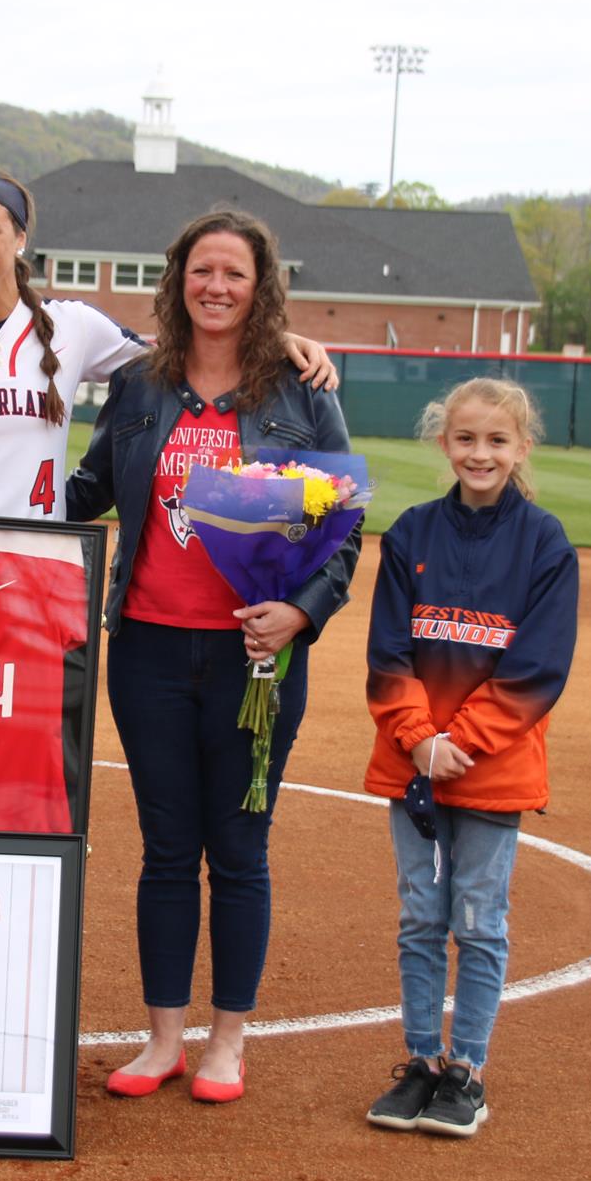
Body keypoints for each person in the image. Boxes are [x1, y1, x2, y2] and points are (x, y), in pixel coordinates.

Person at [66, 210, 359, 1104]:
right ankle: (163, 1041)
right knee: (164, 849)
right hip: (149, 648)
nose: (217, 287)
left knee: (237, 847)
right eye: (202, 271)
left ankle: (228, 1040)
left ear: (260, 283)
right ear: (179, 279)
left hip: (256, 659)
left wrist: (300, 614)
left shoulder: (302, 388)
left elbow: (344, 529)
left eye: (234, 272)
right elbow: (82, 491)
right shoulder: (143, 385)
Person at [360, 377, 579, 1138]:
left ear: (520, 447)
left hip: (491, 769)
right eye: (464, 438)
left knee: (479, 920)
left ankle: (467, 1072)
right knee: (421, 915)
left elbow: (538, 668)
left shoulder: (545, 542)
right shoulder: (413, 533)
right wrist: (420, 737)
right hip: (412, 761)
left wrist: (462, 743)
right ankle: (421, 1061)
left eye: (495, 440)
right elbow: (387, 653)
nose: (478, 453)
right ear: (443, 442)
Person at [0, 166, 337, 519]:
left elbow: (179, 357)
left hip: (38, 563)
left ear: (20, 238)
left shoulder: (73, 325)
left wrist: (271, 336)